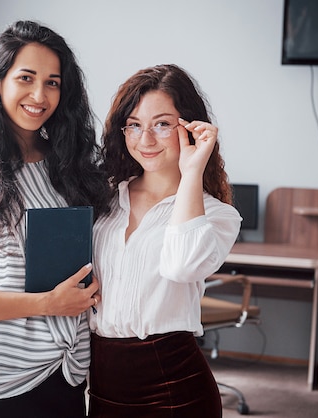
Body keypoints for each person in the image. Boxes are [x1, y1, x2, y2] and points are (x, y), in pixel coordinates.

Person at [0, 20, 110, 418]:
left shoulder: (70, 166)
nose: (39, 95)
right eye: (25, 78)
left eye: (52, 82)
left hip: (65, 373)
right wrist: (48, 303)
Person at [87, 64, 242, 417]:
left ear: (190, 127)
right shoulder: (103, 198)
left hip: (174, 386)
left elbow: (182, 264)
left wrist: (191, 173)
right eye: (135, 125)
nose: (146, 140)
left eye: (161, 124)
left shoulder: (217, 215)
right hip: (102, 383)